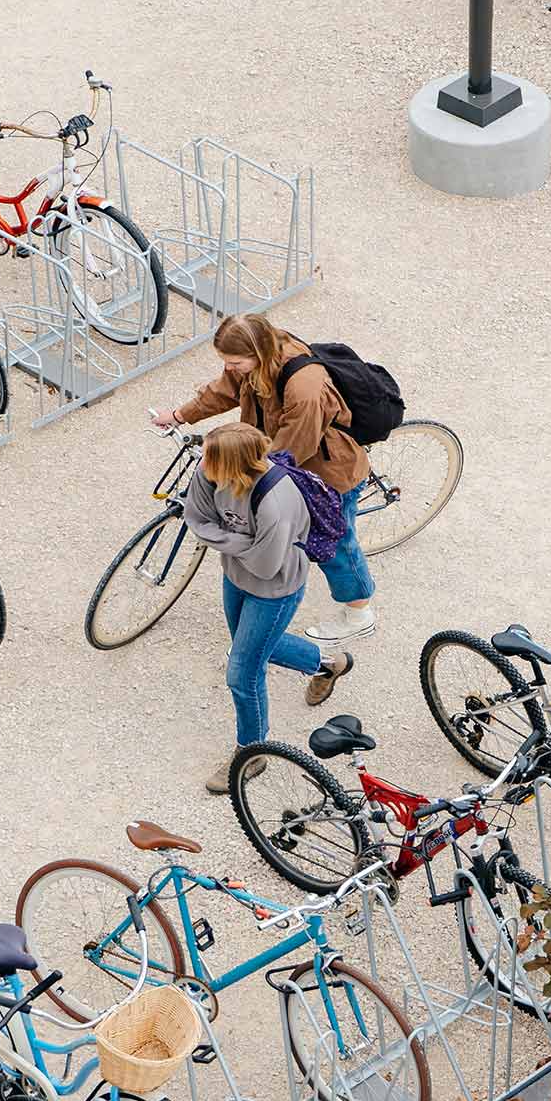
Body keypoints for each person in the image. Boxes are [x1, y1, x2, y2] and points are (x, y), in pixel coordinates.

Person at [151, 311, 377, 643]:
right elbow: (225, 389)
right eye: (225, 361)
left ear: (258, 352)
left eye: (235, 362)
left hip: (327, 472)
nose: (229, 368)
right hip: (279, 449)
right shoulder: (256, 357)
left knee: (336, 544)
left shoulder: (306, 389)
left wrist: (242, 472)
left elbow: (290, 452)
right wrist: (181, 415)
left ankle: (359, 613)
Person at [178, 424, 351, 793]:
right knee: (252, 645)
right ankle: (328, 664)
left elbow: (266, 564)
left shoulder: (277, 500)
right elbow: (197, 519)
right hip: (236, 576)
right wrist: (243, 541)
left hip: (275, 590)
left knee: (242, 673)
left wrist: (227, 541)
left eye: (210, 457)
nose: (201, 463)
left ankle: (252, 752)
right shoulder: (209, 473)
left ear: (234, 464)